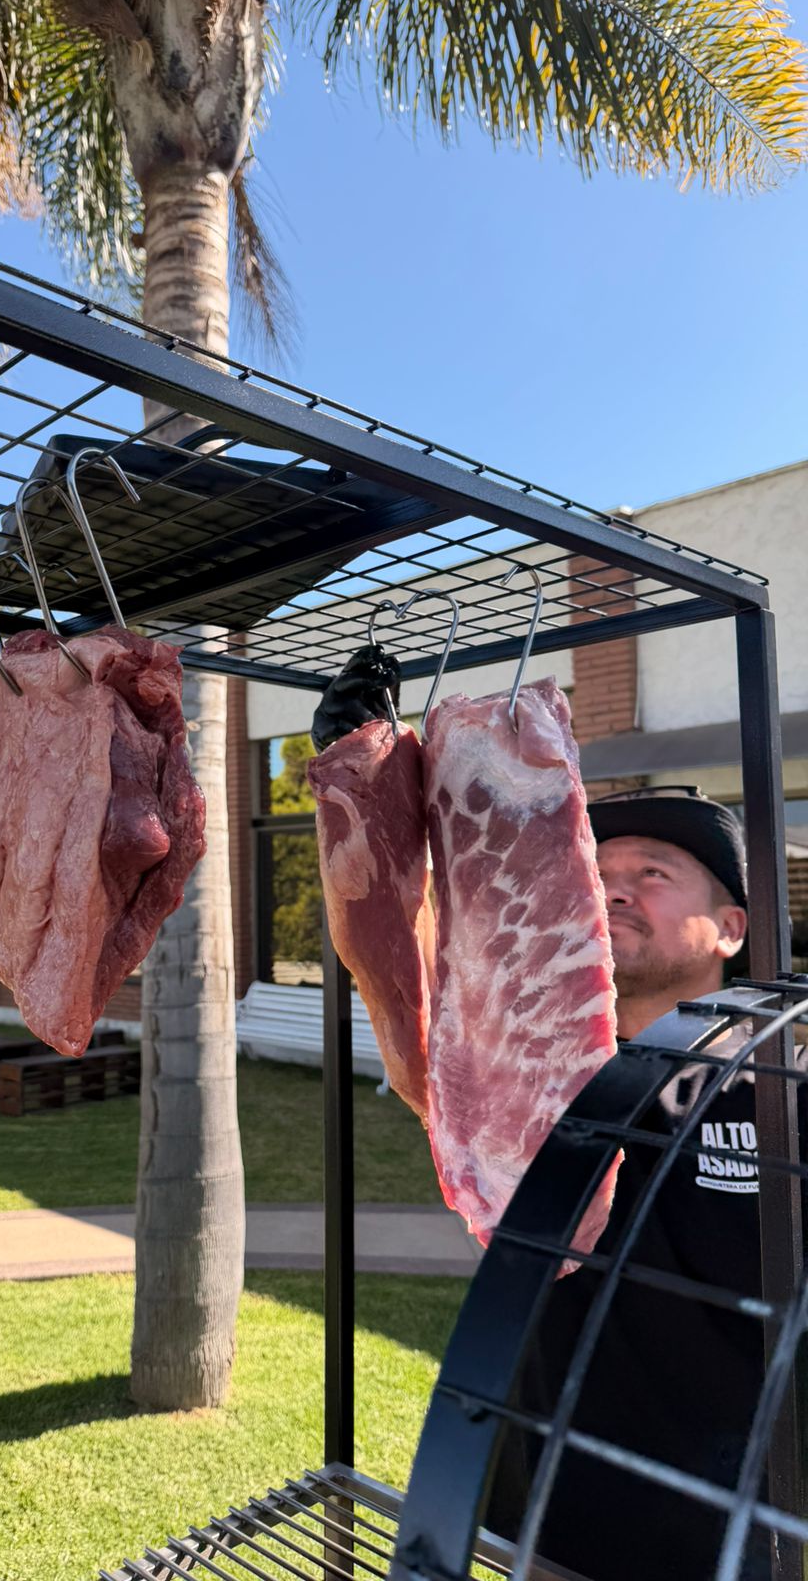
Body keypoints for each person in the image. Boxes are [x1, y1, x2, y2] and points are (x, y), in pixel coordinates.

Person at [310, 659, 781, 1580]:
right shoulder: (526, 1058)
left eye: (655, 874)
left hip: (731, 1527)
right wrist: (360, 775)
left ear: (732, 928)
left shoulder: (783, 1073)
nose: (614, 889)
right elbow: (406, 1010)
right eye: (600, 870)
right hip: (544, 1506)